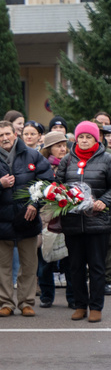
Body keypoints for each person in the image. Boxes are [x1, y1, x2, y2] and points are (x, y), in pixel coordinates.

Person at [0, 120, 53, 317]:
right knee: (3, 267)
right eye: (0, 135)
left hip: (27, 219)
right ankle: (6, 303)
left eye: (8, 134)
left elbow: (47, 181)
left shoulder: (33, 155)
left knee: (29, 265)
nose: (5, 138)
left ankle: (26, 302)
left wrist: (35, 203)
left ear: (15, 134)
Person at [55, 121, 111, 322]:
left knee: (96, 266)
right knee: (76, 266)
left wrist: (103, 202)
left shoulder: (106, 160)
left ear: (96, 139)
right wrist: (60, 196)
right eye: (81, 137)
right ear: (75, 139)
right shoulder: (67, 160)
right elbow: (57, 185)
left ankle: (96, 307)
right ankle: (80, 305)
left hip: (98, 223)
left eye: (89, 137)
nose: (84, 140)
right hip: (72, 222)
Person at [37, 131, 74, 308]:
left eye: (64, 145)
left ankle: (73, 297)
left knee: (71, 260)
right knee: (46, 260)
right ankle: (46, 295)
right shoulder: (42, 167)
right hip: (48, 219)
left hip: (69, 218)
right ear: (49, 149)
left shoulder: (71, 164)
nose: (62, 148)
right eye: (58, 145)